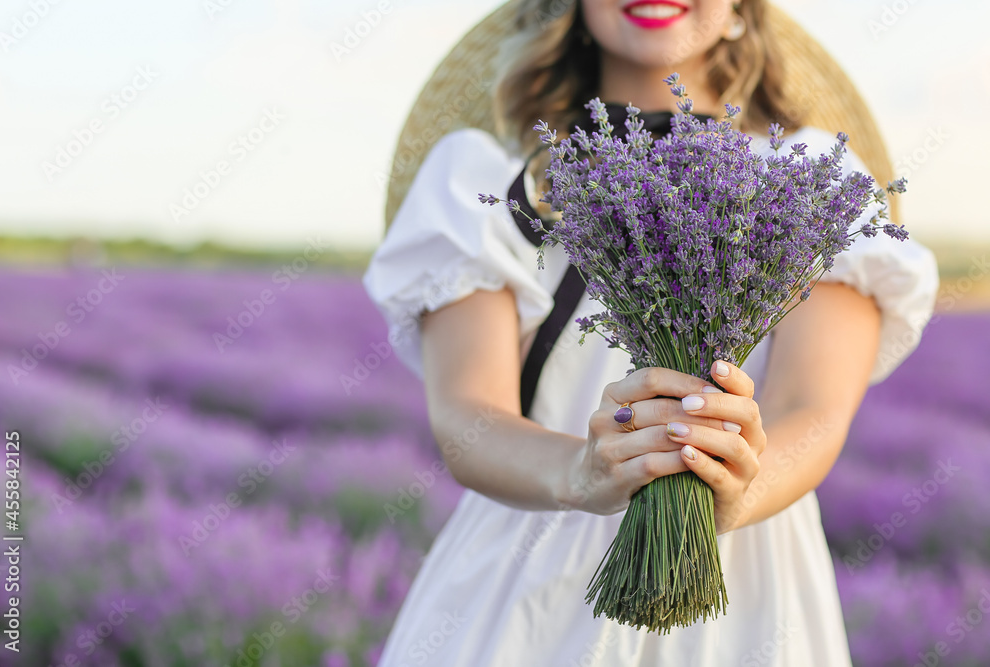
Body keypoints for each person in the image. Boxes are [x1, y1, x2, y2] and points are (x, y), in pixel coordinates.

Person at [362, 1, 939, 664]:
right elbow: (469, 417)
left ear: (737, 12)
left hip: (743, 579)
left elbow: (813, 410)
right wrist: (581, 470)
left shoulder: (811, 180)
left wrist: (739, 485)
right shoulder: (489, 177)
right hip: (530, 577)